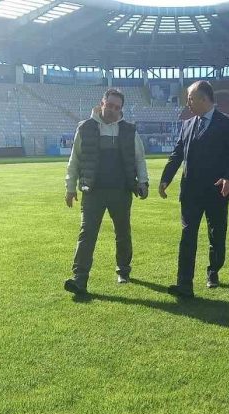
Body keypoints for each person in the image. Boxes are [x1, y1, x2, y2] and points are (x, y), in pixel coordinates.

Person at [159, 81, 229, 298]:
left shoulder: (226, 122)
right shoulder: (187, 124)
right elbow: (177, 154)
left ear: (204, 99)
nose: (187, 102)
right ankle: (184, 284)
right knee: (187, 236)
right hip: (191, 193)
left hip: (217, 191)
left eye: (190, 98)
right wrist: (165, 178)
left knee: (217, 235)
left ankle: (213, 271)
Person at [63, 89, 150, 295]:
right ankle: (79, 279)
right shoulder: (84, 128)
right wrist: (70, 188)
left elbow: (139, 158)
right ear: (102, 103)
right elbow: (74, 160)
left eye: (116, 107)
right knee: (87, 235)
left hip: (121, 191)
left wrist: (143, 182)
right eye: (109, 105)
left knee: (123, 233)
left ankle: (123, 271)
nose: (112, 110)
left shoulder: (129, 130)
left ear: (121, 109)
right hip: (92, 192)